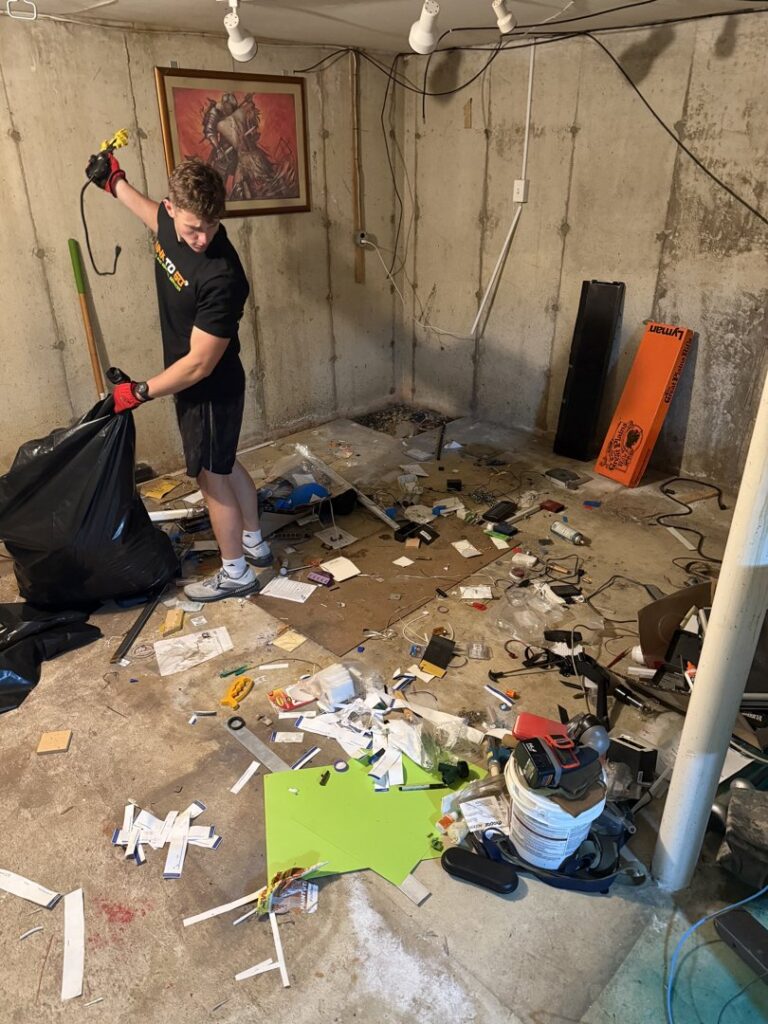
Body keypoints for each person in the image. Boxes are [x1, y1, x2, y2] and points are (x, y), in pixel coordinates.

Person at [85, 150, 272, 602]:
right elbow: (142, 208)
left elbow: (199, 364)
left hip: (209, 388)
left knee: (211, 476)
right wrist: (112, 180)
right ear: (172, 209)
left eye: (211, 226)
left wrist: (141, 391)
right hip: (194, 382)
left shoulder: (223, 276)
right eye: (192, 228)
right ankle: (254, 542)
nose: (202, 237)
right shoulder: (168, 224)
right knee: (224, 462)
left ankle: (236, 573)